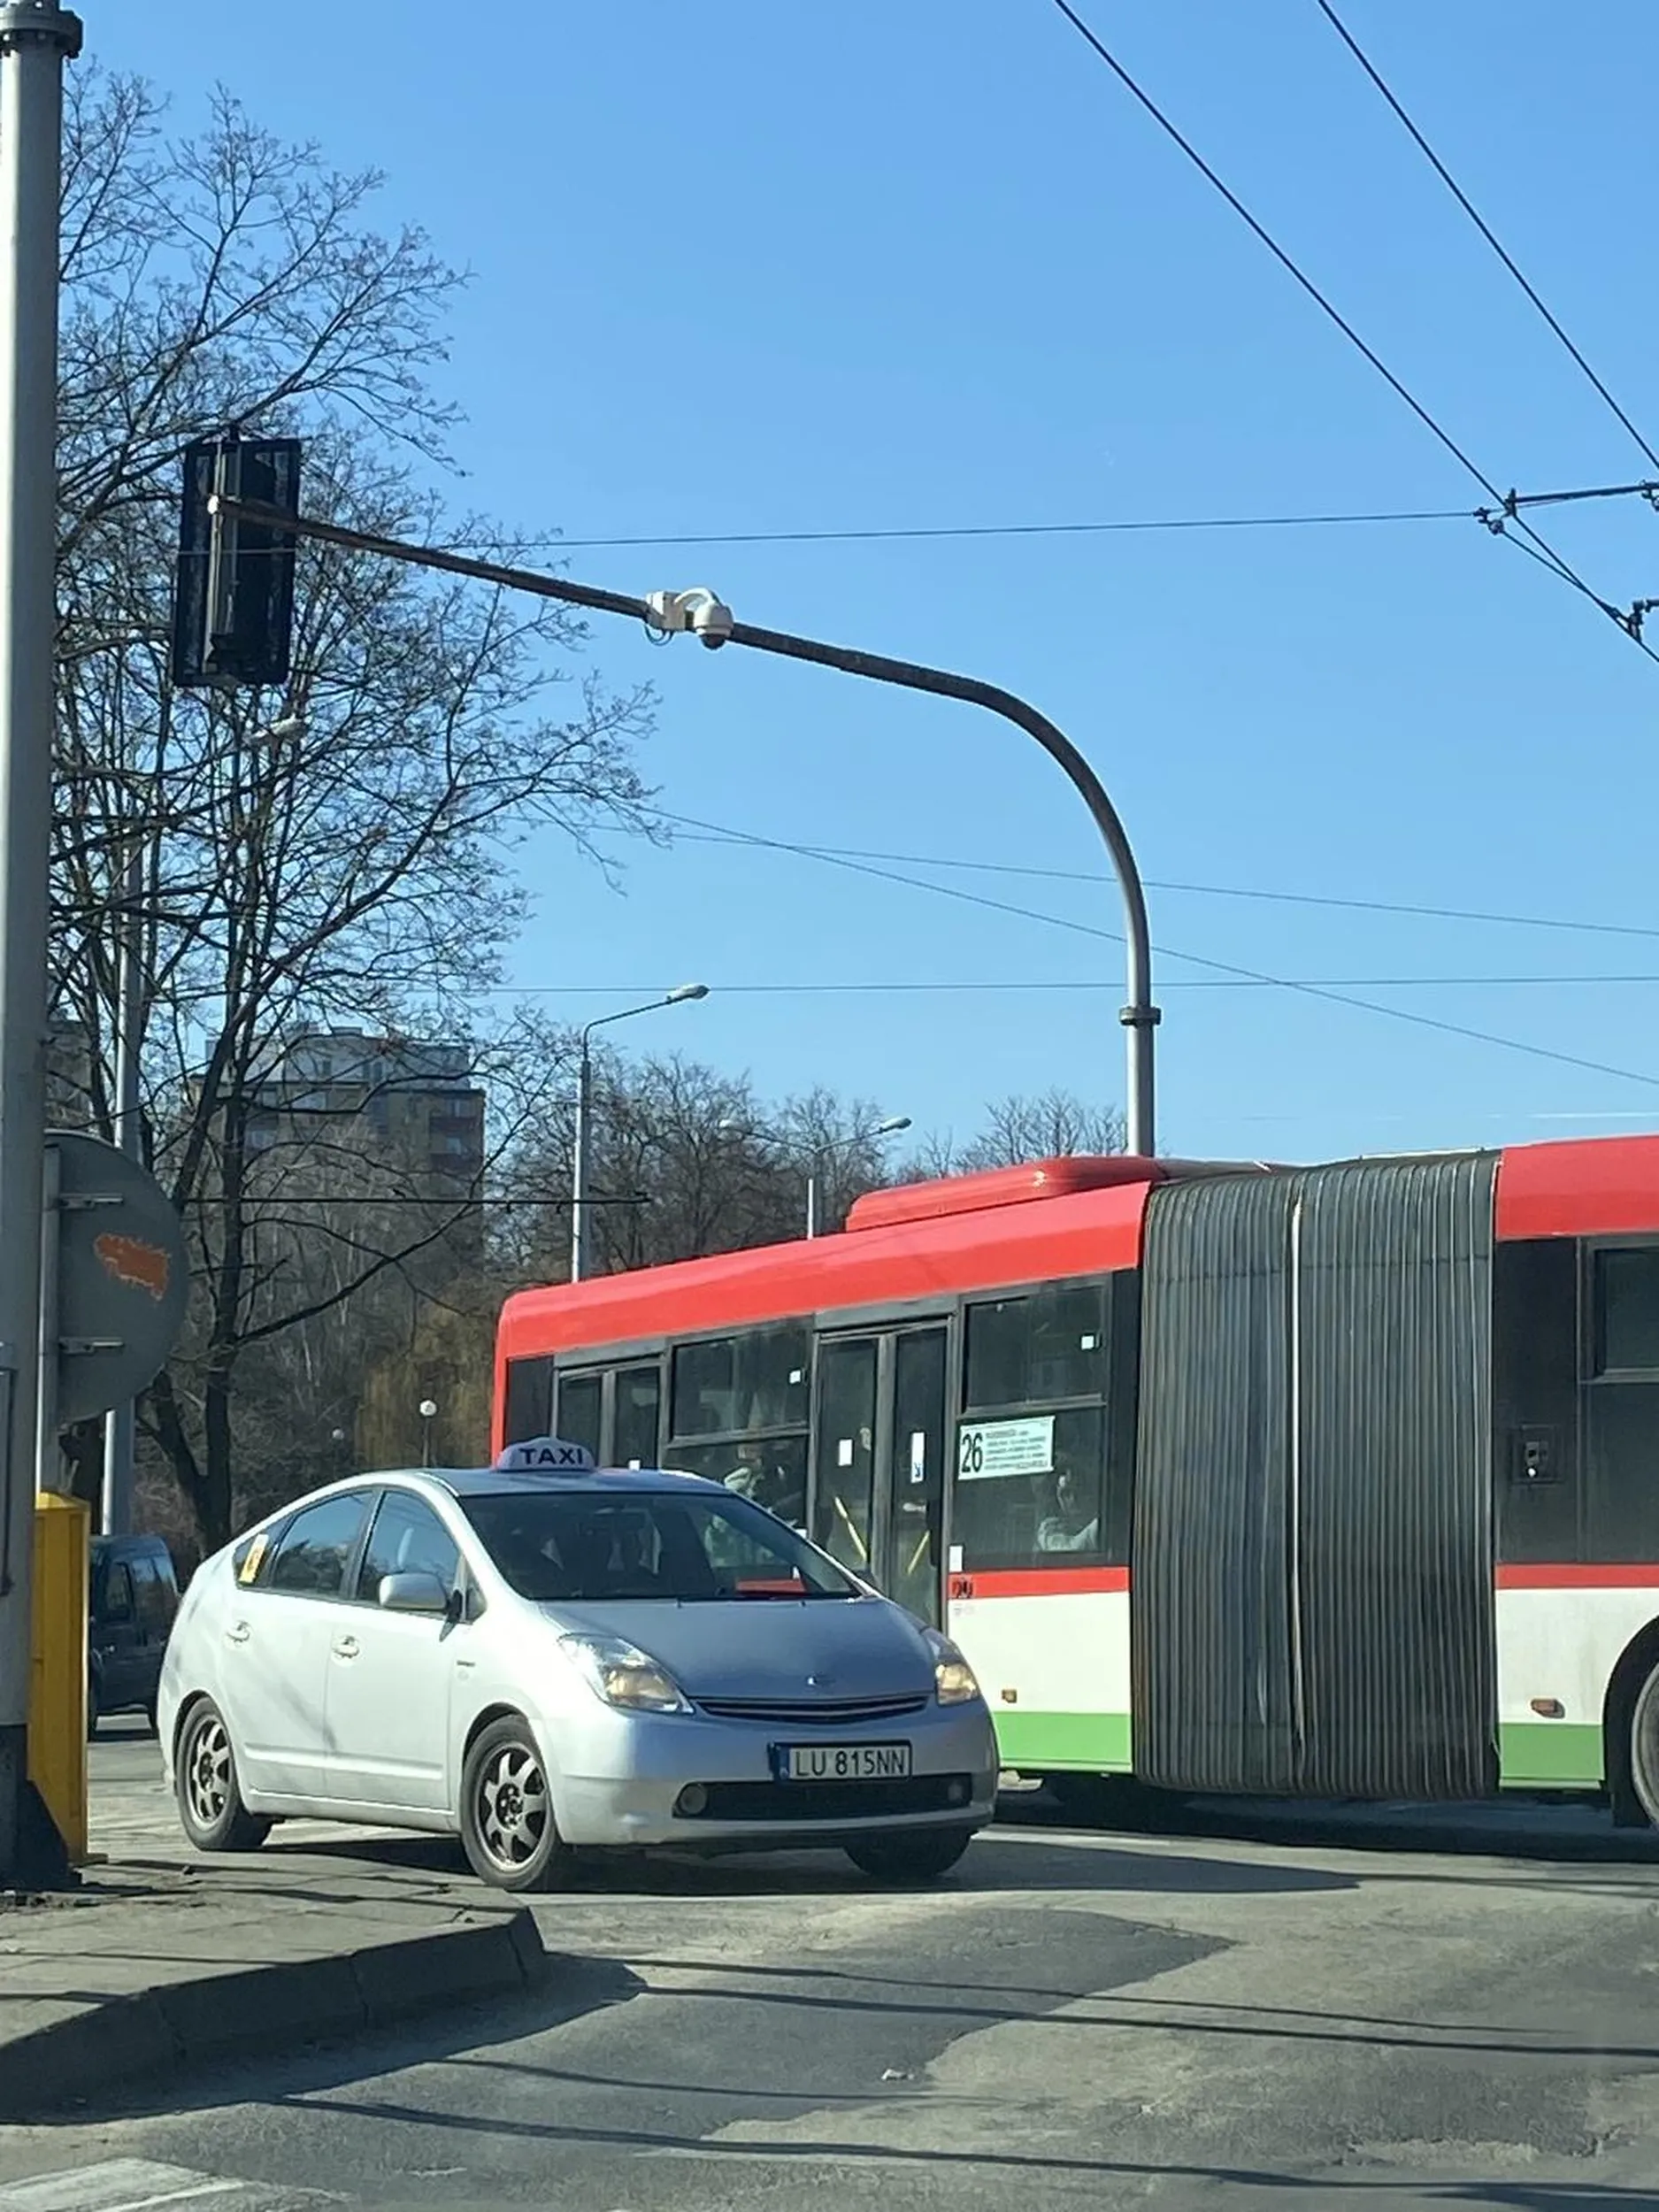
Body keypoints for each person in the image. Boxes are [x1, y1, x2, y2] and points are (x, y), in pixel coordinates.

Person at [1035, 1464, 1099, 1553]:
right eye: (1066, 1493)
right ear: (1058, 1497)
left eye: (1078, 1491)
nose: (1073, 1500)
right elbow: (1068, 1550)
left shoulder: (1091, 1520)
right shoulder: (1049, 1529)